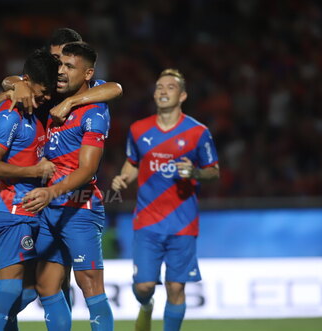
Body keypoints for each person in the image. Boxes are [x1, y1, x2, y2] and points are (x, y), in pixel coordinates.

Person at [111, 69, 220, 331]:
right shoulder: (138, 129)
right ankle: (146, 306)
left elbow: (214, 172)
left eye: (170, 87)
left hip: (183, 222)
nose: (162, 90)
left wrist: (194, 172)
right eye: (159, 86)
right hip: (148, 220)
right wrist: (124, 178)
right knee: (144, 287)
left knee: (175, 287)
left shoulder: (198, 132)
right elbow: (132, 163)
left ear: (182, 95)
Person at [23, 42, 114, 331]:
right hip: (50, 209)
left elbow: (87, 170)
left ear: (88, 74)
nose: (61, 72)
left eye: (69, 67)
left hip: (79, 209)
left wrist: (51, 191)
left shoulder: (94, 113)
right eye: (60, 65)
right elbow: (14, 81)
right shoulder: (51, 100)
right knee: (46, 285)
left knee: (89, 285)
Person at [0, 49, 59, 330]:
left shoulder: (35, 110)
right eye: (43, 91)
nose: (47, 97)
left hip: (26, 210)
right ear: (28, 80)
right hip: (13, 210)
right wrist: (35, 171)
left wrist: (17, 84)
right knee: (10, 291)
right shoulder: (11, 114)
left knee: (29, 291)